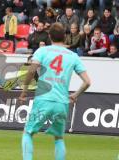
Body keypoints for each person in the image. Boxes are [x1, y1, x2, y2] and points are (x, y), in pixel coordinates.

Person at [19, 22, 91, 160]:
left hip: (43, 100)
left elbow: (31, 71)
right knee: (58, 138)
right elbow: (87, 82)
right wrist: (75, 95)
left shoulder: (42, 51)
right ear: (64, 36)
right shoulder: (73, 56)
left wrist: (24, 91)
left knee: (28, 133)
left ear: (49, 36)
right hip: (61, 103)